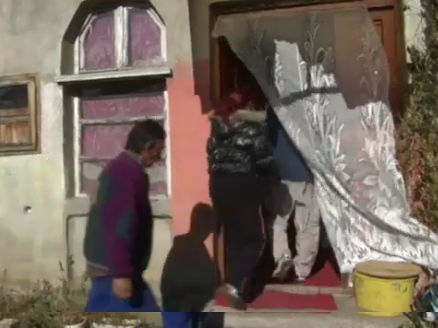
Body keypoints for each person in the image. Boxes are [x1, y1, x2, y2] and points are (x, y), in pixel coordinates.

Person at [83, 119, 165, 312]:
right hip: (112, 269)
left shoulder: (128, 169)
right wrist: (121, 273)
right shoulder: (124, 172)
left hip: (119, 267)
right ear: (147, 146)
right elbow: (118, 225)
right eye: (158, 150)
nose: (159, 156)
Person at [207, 85, 275, 311]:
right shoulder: (253, 131)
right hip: (244, 185)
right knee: (256, 238)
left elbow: (211, 157)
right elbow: (265, 162)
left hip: (218, 185)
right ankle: (236, 285)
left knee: (235, 238)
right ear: (247, 107)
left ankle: (232, 282)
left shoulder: (216, 131)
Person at [267, 108, 320, 283]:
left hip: (281, 173)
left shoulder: (274, 108)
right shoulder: (310, 107)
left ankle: (282, 258)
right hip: (306, 173)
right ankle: (301, 270)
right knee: (306, 226)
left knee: (278, 222)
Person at [160, 203, 219, 327]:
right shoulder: (187, 248)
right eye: (209, 227)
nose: (209, 233)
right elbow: (173, 286)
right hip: (181, 313)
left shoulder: (191, 247)